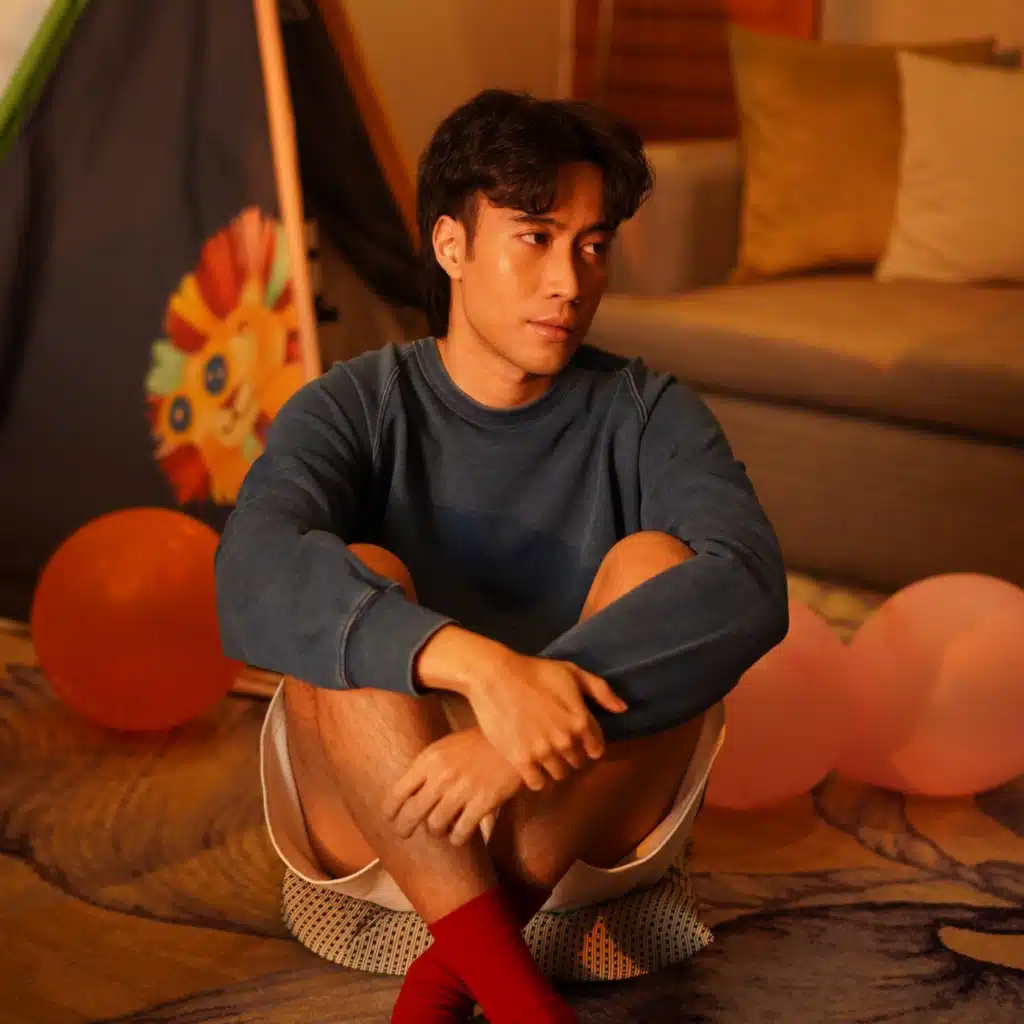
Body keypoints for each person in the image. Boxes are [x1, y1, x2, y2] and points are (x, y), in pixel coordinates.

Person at [215, 89, 789, 1024]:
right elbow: (250, 571)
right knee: (360, 571)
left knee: (659, 566)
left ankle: (456, 974)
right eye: (535, 237)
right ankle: (516, 992)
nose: (570, 281)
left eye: (593, 246)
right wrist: (483, 670)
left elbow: (752, 585)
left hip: (580, 841)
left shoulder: (649, 412)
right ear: (451, 245)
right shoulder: (352, 404)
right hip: (384, 824)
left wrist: (512, 741)